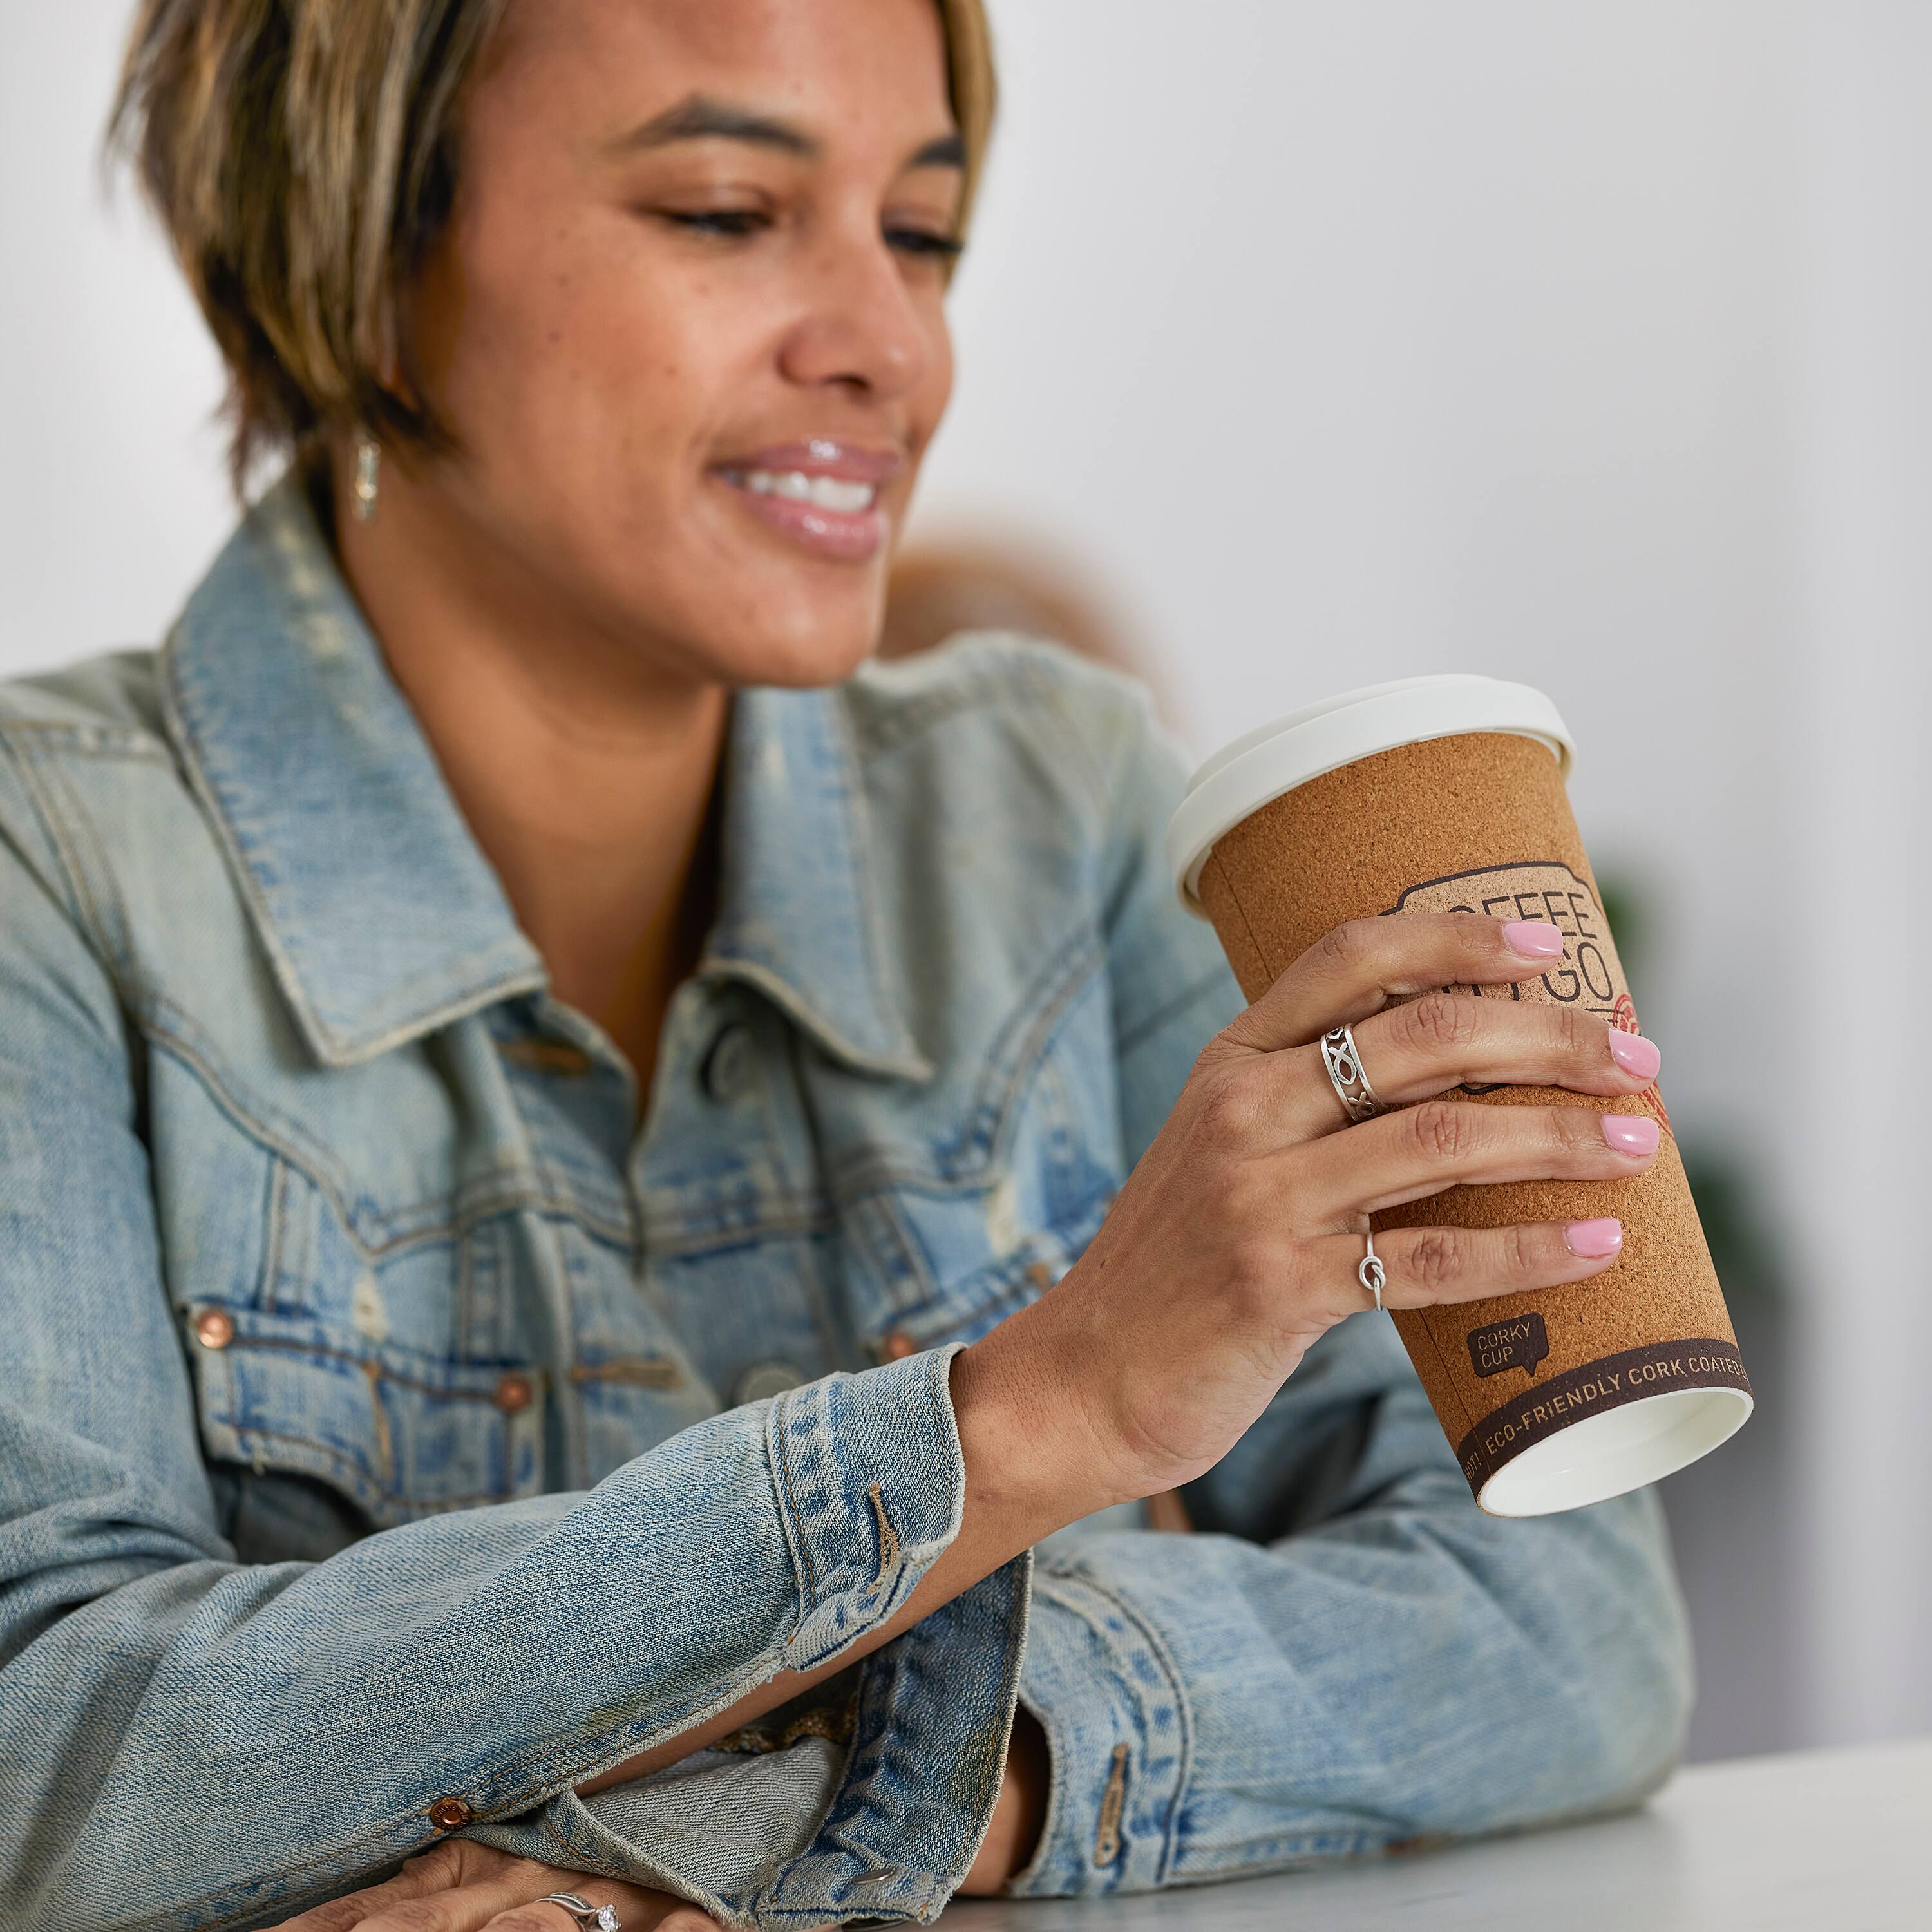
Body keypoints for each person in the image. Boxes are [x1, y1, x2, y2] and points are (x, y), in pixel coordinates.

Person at [0, 3, 1692, 1929]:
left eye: (924, 234)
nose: (889, 348)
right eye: (728, 210)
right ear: (362, 253)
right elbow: (45, 1752)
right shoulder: (47, 875)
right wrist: (1042, 1419)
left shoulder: (1058, 804)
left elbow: (1564, 1610)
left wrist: (755, 1841)